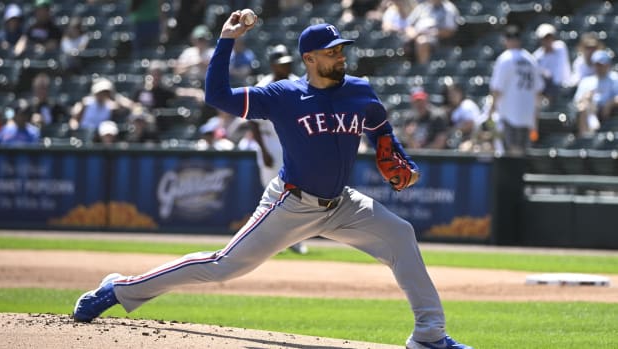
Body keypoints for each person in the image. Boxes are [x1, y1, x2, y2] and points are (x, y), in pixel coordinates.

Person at [72, 13, 473, 349]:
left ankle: (429, 335)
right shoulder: (282, 95)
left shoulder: (360, 91)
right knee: (222, 267)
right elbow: (219, 96)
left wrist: (394, 151)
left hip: (342, 205)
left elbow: (382, 132)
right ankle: (119, 288)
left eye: (341, 49)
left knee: (401, 234)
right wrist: (227, 40)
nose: (341, 56)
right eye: (332, 52)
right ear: (310, 59)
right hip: (291, 203)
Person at [249, 44, 308, 255]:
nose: (286, 66)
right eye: (281, 63)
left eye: (288, 63)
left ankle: (295, 240)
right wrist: (263, 150)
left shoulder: (297, 83)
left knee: (295, 193)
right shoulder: (262, 86)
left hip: (292, 144)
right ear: (273, 65)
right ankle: (272, 241)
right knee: (271, 194)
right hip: (270, 144)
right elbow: (253, 122)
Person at [488, 25, 544, 155]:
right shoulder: (531, 59)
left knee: (510, 153)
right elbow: (538, 91)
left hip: (509, 113)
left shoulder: (505, 58)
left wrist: (491, 111)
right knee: (521, 152)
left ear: (506, 40)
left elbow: (497, 89)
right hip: (527, 115)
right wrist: (535, 117)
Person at [573, 49, 618, 136]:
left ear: (608, 65)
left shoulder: (615, 78)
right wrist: (586, 98)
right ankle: (585, 139)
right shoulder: (586, 81)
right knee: (584, 106)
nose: (599, 68)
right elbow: (577, 101)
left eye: (602, 65)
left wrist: (610, 104)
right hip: (591, 110)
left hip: (610, 111)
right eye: (597, 65)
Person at [404, 0, 460, 65]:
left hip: (436, 39)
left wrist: (428, 33)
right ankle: (405, 70)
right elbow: (408, 24)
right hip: (416, 35)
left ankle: (423, 69)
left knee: (422, 41)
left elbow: (450, 30)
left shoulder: (449, 9)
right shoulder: (422, 7)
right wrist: (411, 32)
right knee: (401, 41)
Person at [532, 23, 571, 105]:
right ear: (540, 40)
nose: (548, 40)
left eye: (550, 37)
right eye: (545, 38)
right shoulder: (537, 57)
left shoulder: (561, 47)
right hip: (548, 90)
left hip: (566, 86)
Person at [441, 80, 482, 150]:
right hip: (460, 138)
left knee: (463, 148)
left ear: (461, 93)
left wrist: (451, 131)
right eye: (450, 94)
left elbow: (470, 125)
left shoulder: (467, 105)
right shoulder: (454, 109)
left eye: (455, 93)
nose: (452, 96)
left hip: (474, 138)